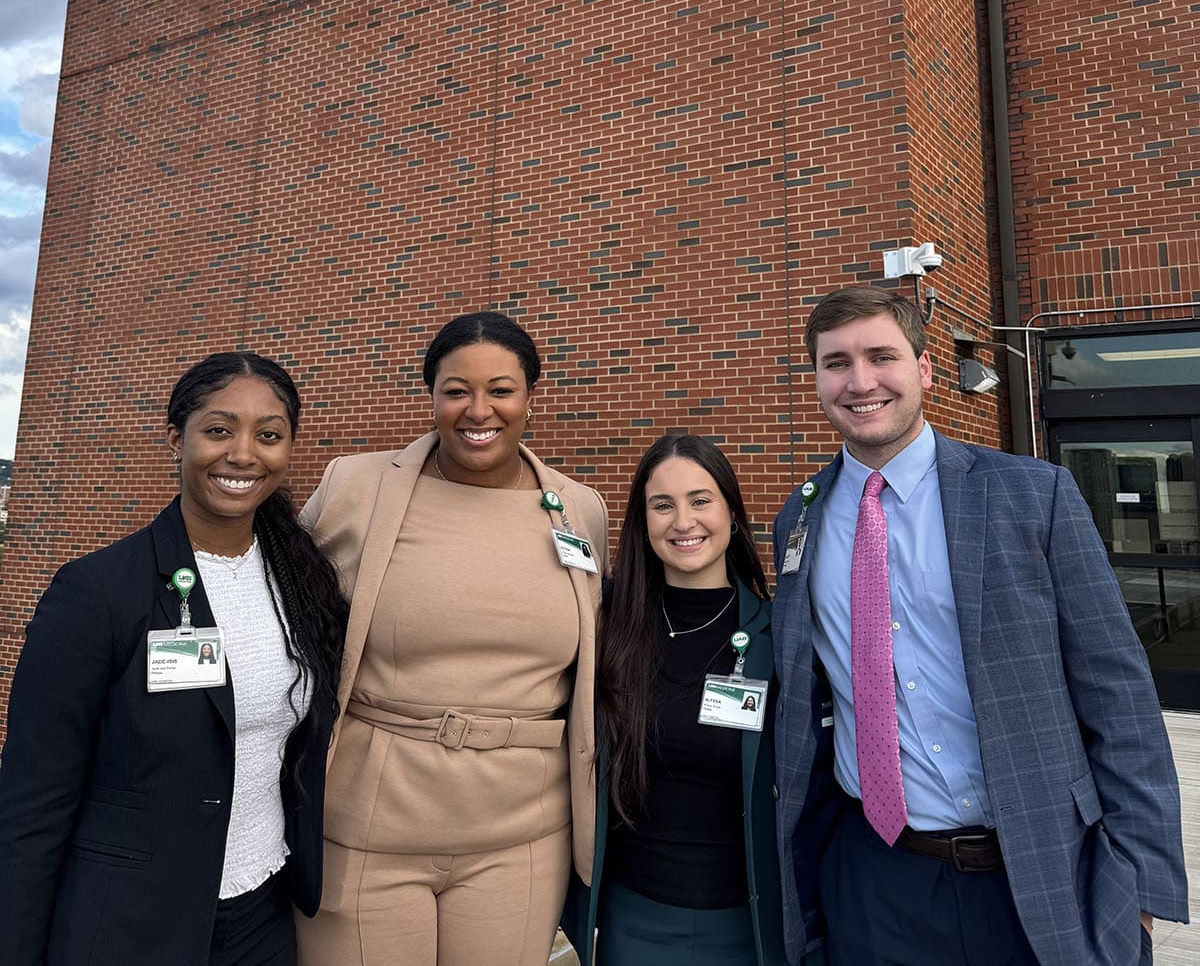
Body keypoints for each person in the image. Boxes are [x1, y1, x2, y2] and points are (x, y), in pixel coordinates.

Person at [772, 286, 1188, 966]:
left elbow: (1119, 696)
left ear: (926, 369)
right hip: (876, 876)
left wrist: (1140, 888)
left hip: (1043, 869)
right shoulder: (802, 519)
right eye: (836, 362)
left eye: (882, 356)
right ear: (816, 378)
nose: (861, 380)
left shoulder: (1032, 494)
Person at [0, 351, 347, 966]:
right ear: (176, 439)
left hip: (263, 912)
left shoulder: (302, 583)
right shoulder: (98, 592)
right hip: (132, 920)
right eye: (218, 430)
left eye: (269, 435)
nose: (243, 454)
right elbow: (33, 801)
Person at [297, 310, 608, 966]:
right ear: (431, 396)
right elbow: (282, 613)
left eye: (500, 390)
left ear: (530, 397)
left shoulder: (581, 510)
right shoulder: (353, 488)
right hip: (365, 826)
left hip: (522, 833)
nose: (478, 410)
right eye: (455, 390)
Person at [564, 433, 828, 966]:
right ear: (643, 523)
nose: (683, 522)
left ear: (732, 513)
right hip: (631, 919)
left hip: (747, 926)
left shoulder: (781, 638)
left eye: (700, 500)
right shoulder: (604, 628)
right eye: (663, 505)